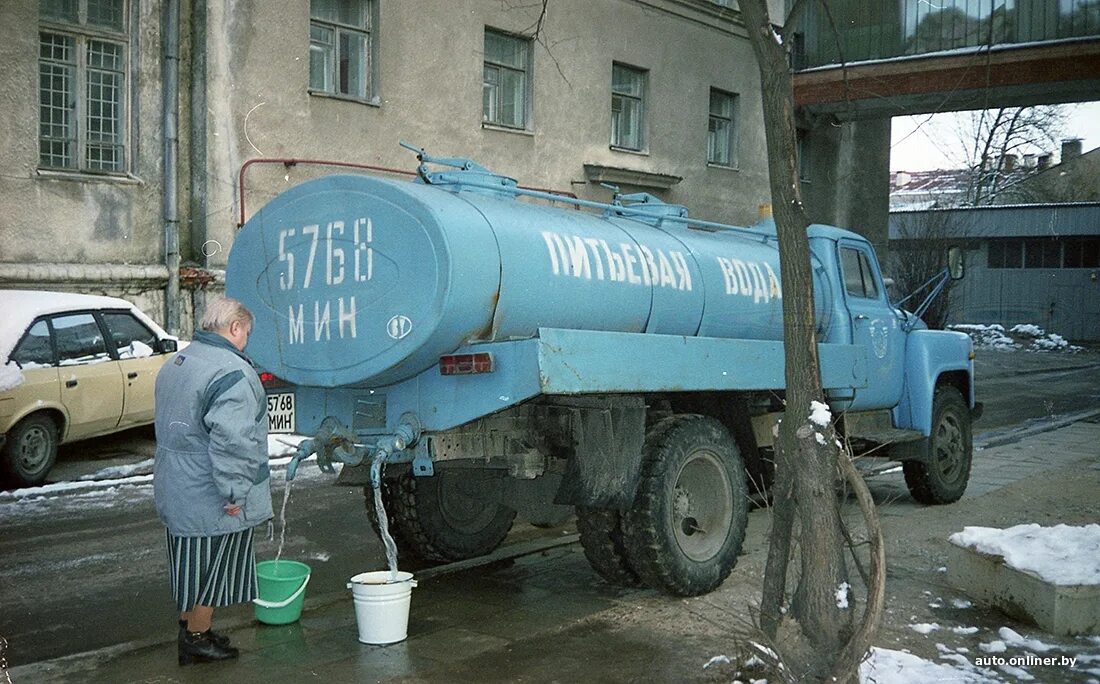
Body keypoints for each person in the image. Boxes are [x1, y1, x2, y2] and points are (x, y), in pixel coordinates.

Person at [153, 297, 273, 665]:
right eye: (247, 333)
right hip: (210, 490)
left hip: (179, 482)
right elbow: (233, 443)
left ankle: (191, 628)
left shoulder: (179, 361)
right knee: (212, 567)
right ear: (235, 327)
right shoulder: (230, 372)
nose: (246, 342)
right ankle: (196, 639)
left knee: (190, 565)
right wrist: (236, 492)